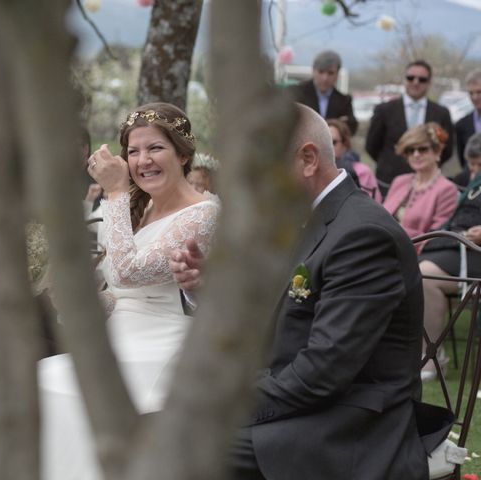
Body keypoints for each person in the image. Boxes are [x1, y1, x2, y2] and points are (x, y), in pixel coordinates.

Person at [172, 104, 434, 479]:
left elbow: (324, 371)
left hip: (351, 423)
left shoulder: (362, 236)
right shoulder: (302, 220)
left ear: (308, 159)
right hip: (303, 400)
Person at [38, 102, 220, 479]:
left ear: (183, 154)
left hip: (165, 344)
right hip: (120, 337)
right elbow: (123, 294)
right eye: (133, 151)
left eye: (155, 148)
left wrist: (117, 191)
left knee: (66, 392)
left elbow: (126, 272)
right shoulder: (145, 209)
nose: (142, 160)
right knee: (42, 381)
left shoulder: (204, 214)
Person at [419, 132, 481, 381]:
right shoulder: (472, 185)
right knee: (406, 272)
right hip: (456, 245)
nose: (475, 170)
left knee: (425, 276)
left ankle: (431, 358)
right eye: (472, 164)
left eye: (480, 164)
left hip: (474, 255)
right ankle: (417, 355)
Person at [366, 60, 454, 194]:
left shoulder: (441, 113)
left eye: (422, 79)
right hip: (388, 184)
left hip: (428, 186)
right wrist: (390, 163)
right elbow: (371, 146)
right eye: (410, 78)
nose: (415, 82)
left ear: (429, 82)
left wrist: (426, 165)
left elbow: (447, 150)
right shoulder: (384, 110)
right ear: (404, 80)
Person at [383, 122, 458, 240]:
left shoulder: (447, 189)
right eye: (410, 150)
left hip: (417, 254)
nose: (416, 154)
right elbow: (381, 217)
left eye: (422, 149)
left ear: (437, 151)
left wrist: (396, 233)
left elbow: (437, 236)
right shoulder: (399, 181)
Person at [289, 50, 358, 135]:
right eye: (321, 72)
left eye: (330, 73)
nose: (325, 78)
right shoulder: (296, 93)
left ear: (337, 74)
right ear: (313, 71)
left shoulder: (344, 101)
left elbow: (351, 128)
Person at [327, 118, 381, 202]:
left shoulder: (362, 171)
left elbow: (372, 204)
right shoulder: (312, 172)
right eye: (326, 142)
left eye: (333, 142)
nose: (328, 147)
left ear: (345, 143)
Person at [453, 69, 481, 185]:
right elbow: (463, 161)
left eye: (479, 92)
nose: (474, 97)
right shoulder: (462, 124)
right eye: (471, 93)